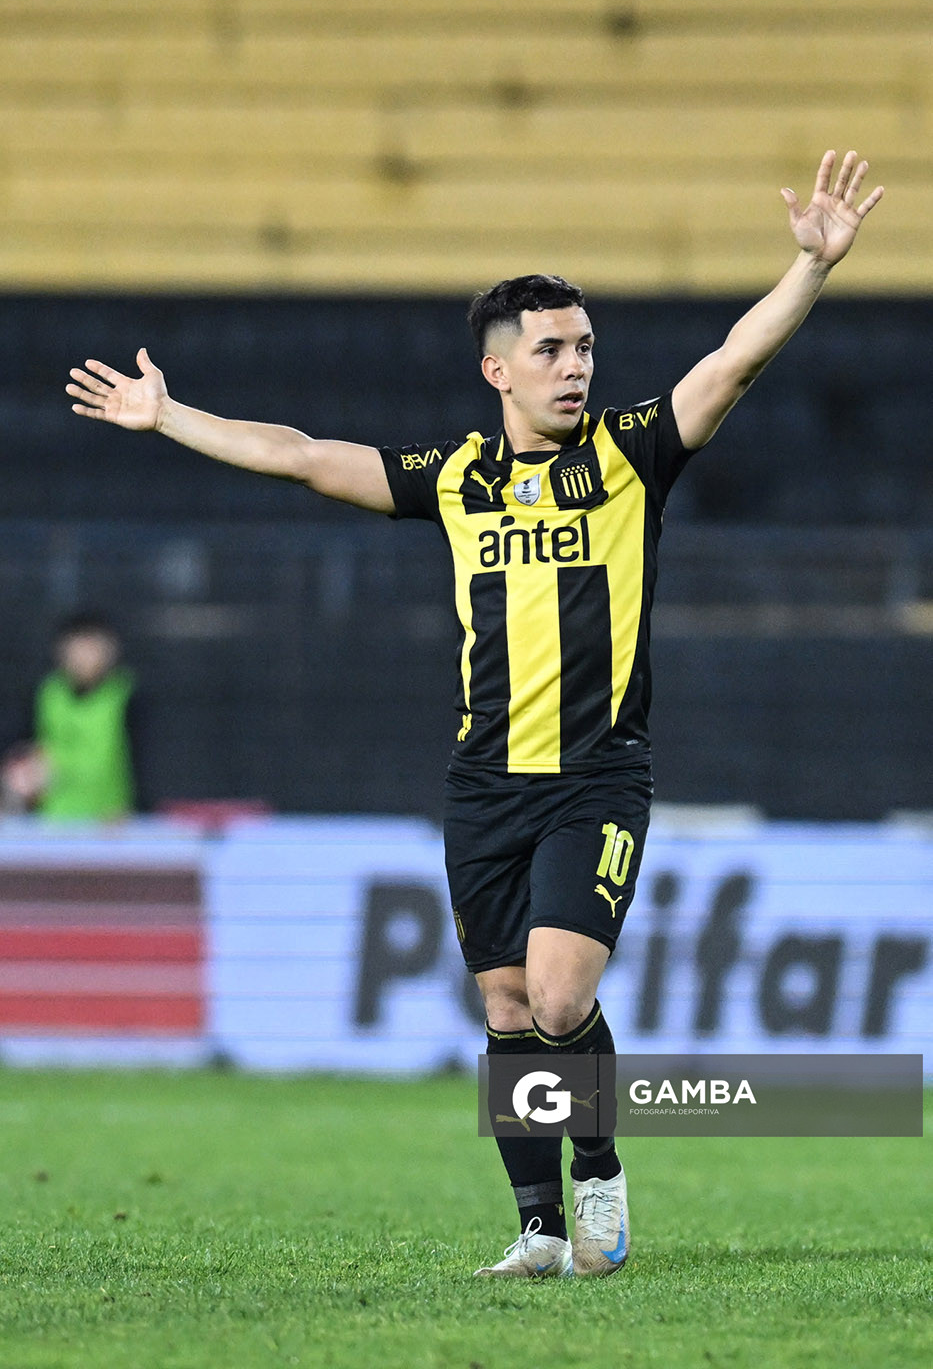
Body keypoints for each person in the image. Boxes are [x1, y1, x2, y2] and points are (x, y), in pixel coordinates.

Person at [66, 150, 883, 1276]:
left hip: (596, 777)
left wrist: (810, 268)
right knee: (504, 1007)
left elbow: (733, 361)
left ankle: (599, 1173)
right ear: (497, 370)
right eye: (551, 349)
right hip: (484, 782)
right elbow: (301, 458)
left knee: (557, 993)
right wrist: (168, 418)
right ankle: (539, 1228)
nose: (574, 366)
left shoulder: (631, 454)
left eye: (584, 346)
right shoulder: (455, 477)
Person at [33, 613, 137, 820]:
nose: (84, 658)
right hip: (53, 818)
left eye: (92, 648)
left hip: (110, 819)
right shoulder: (49, 692)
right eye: (77, 648)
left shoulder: (127, 694)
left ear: (110, 650)